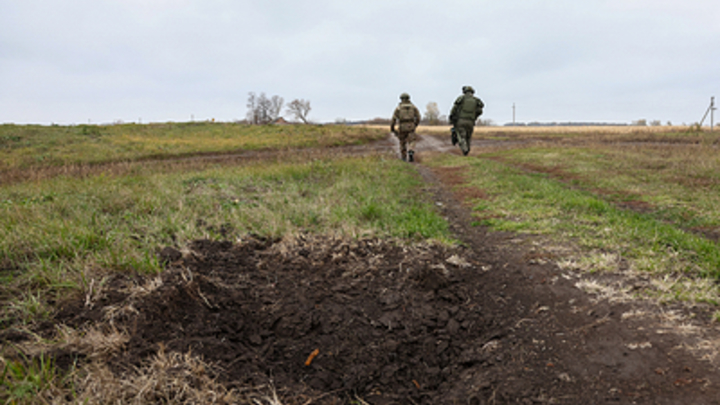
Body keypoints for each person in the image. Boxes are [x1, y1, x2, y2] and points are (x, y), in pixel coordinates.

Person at [449, 86, 484, 156]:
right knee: (468, 136)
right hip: (471, 121)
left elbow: (454, 109)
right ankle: (467, 149)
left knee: (462, 136)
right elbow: (480, 110)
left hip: (460, 120)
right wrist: (475, 116)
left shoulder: (461, 99)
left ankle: (465, 149)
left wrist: (451, 117)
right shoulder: (476, 100)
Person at [390, 93, 421, 162]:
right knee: (412, 141)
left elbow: (394, 119)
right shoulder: (413, 107)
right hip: (411, 126)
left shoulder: (398, 108)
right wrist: (415, 124)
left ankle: (403, 157)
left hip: (402, 126)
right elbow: (418, 117)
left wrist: (392, 128)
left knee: (402, 141)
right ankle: (411, 150)